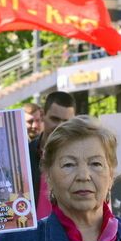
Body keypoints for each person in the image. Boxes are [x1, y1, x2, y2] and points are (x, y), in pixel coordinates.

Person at [31, 92, 76, 220]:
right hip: (29, 230)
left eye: (66, 121)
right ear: (42, 115)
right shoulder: (24, 155)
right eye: (55, 119)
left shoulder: (81, 159)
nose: (60, 126)